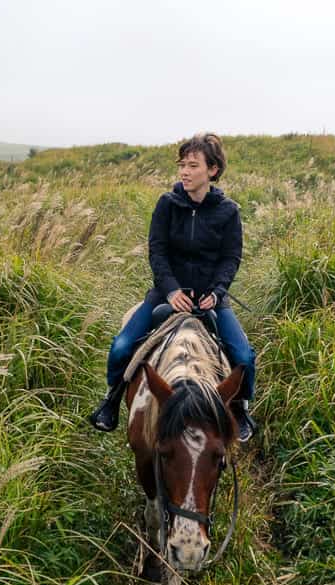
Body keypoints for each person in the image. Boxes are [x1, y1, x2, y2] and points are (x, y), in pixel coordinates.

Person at [88, 132, 257, 441]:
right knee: (122, 346)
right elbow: (158, 252)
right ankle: (111, 401)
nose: (184, 172)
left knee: (243, 356)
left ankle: (241, 410)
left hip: (210, 299)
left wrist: (217, 293)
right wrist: (171, 291)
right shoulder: (167, 204)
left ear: (213, 170)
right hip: (166, 294)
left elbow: (230, 258)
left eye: (193, 165)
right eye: (182, 165)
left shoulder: (229, 211)